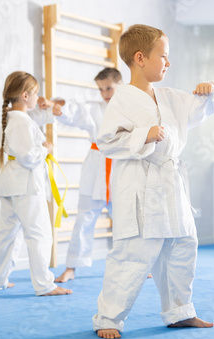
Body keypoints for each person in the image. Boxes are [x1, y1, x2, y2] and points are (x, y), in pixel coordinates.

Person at [91, 24, 214, 339]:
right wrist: (145, 135)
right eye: (163, 56)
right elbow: (108, 141)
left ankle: (180, 312)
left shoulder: (169, 97)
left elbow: (200, 107)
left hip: (171, 182)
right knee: (134, 253)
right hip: (140, 183)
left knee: (182, 245)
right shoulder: (122, 99)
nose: (168, 62)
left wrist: (210, 89)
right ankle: (108, 318)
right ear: (140, 58)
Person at [0, 71, 73, 296]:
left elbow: (33, 121)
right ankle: (45, 285)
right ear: (25, 95)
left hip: (10, 184)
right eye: (35, 94)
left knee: (7, 234)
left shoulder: (13, 118)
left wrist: (45, 108)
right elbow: (29, 156)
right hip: (25, 186)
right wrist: (47, 149)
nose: (38, 97)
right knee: (39, 234)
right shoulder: (21, 122)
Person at [49, 68, 122, 283]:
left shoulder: (131, 108)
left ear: (120, 85)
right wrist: (59, 110)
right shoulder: (94, 109)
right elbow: (73, 115)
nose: (105, 93)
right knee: (83, 219)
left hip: (120, 167)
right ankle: (71, 267)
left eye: (109, 88)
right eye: (101, 89)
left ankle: (139, 265)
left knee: (126, 222)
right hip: (95, 167)